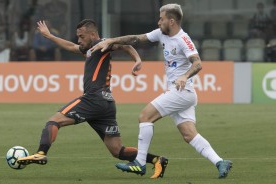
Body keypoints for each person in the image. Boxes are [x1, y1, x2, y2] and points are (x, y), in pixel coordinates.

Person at [91, 3, 232, 179]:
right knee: (189, 134)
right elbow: (135, 38)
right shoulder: (161, 34)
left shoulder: (183, 39)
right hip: (181, 93)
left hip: (181, 90)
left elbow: (198, 63)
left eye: (162, 19)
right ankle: (220, 162)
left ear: (171, 21)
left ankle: (140, 163)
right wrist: (112, 40)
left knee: (145, 116)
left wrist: (184, 76)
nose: (158, 22)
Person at [17, 19, 168, 179]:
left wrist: (137, 60)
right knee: (117, 150)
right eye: (78, 37)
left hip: (93, 99)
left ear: (93, 34)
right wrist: (49, 36)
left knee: (54, 121)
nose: (79, 40)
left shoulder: (102, 43)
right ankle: (157, 160)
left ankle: (41, 153)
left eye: (82, 36)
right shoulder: (90, 50)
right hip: (106, 104)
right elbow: (70, 46)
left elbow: (125, 45)